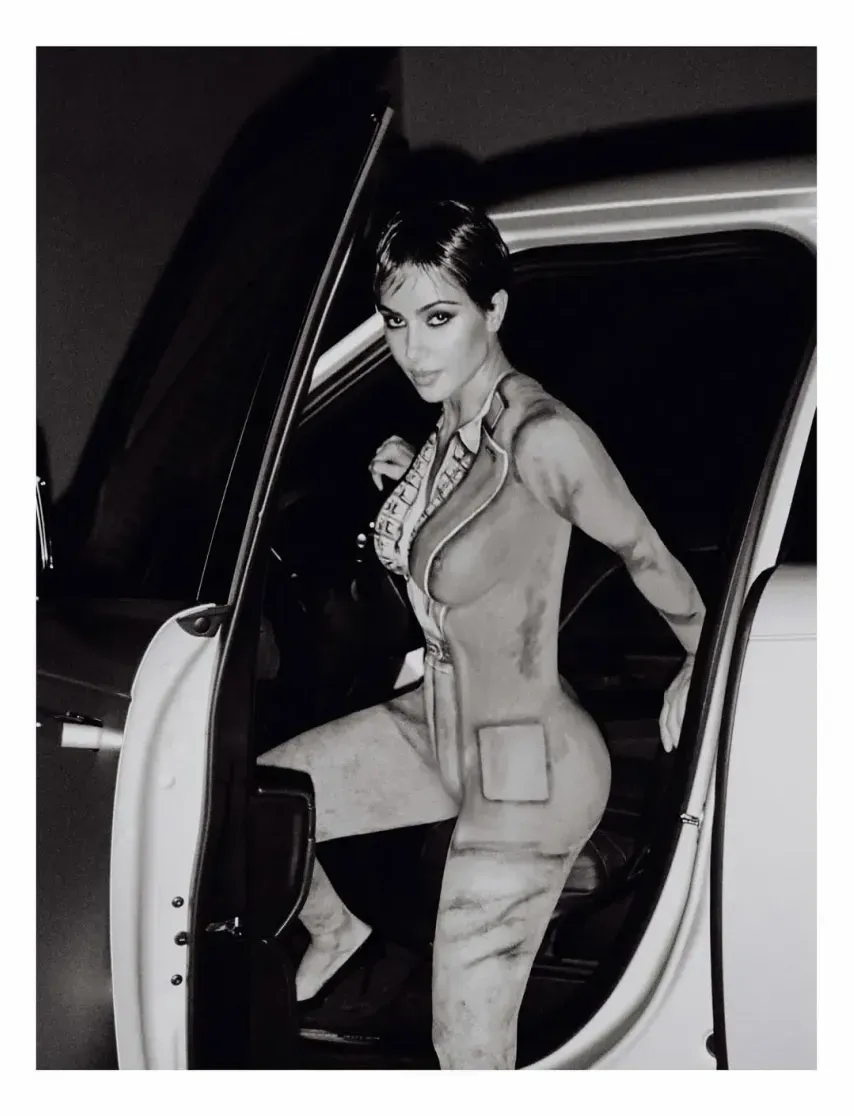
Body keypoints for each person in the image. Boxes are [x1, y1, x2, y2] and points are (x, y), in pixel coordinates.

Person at [258, 200, 705, 1070]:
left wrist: (703, 657)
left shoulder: (545, 437)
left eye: (439, 318)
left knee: (467, 1046)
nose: (412, 349)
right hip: (436, 724)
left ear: (493, 309)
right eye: (395, 322)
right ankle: (338, 927)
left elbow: (644, 551)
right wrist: (412, 475)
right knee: (263, 805)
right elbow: (463, 532)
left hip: (527, 763)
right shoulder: (451, 415)